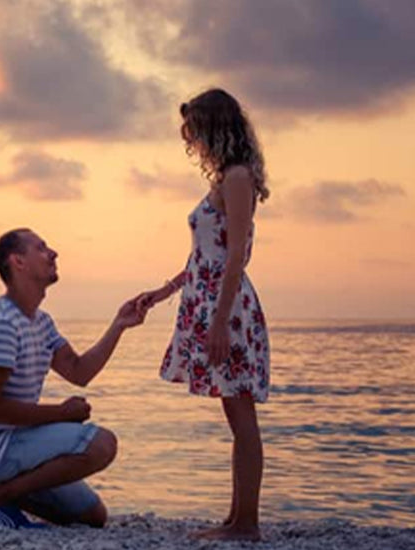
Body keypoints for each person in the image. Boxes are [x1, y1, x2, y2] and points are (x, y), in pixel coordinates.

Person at [137, 88, 271, 542]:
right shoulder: (224, 179)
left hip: (226, 307)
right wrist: (164, 291)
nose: (191, 143)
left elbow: (235, 259)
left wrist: (219, 321)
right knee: (235, 415)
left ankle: (246, 524)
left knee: (241, 416)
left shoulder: (237, 178)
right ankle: (237, 519)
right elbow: (203, 256)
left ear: (214, 126)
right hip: (211, 299)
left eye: (195, 131)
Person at [0, 228, 148, 529]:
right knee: (101, 444)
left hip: (11, 442)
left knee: (94, 516)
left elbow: (79, 371)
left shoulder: (41, 322)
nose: (53, 253)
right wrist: (62, 414)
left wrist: (119, 325)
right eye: (42, 248)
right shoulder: (1, 324)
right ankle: (0, 497)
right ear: (17, 262)